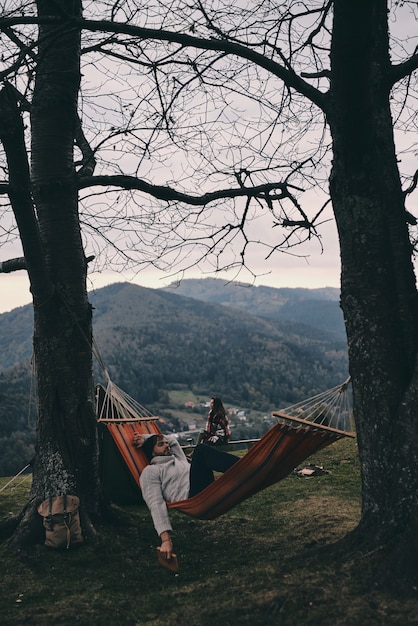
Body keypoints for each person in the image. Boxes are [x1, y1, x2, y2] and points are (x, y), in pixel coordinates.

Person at [133, 433, 238, 561]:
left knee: (201, 450)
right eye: (161, 444)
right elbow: (155, 504)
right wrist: (165, 539)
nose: (167, 445)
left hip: (207, 490)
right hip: (194, 500)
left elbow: (171, 440)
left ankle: (244, 466)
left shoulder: (178, 458)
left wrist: (145, 437)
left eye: (166, 443)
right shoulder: (151, 471)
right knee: (200, 450)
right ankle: (243, 466)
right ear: (151, 452)